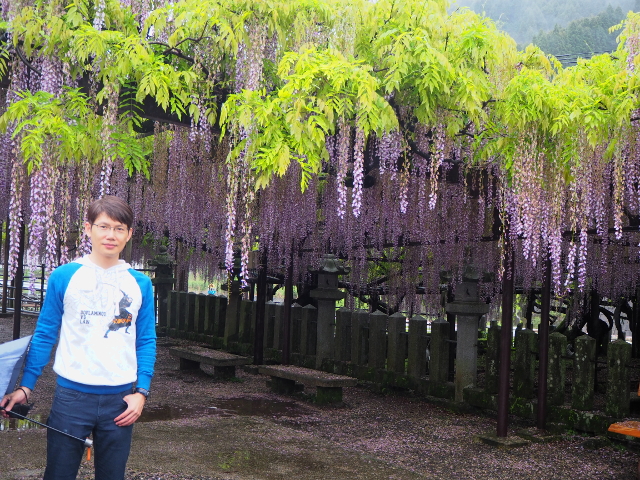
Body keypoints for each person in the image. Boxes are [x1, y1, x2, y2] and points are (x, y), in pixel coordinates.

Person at [1, 195, 156, 480]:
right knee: (58, 474)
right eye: (103, 226)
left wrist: (141, 393)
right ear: (88, 228)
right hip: (71, 398)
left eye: (119, 229)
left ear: (129, 234)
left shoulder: (140, 283)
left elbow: (145, 339)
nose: (111, 235)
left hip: (121, 400)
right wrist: (26, 386)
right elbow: (45, 333)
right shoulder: (64, 276)